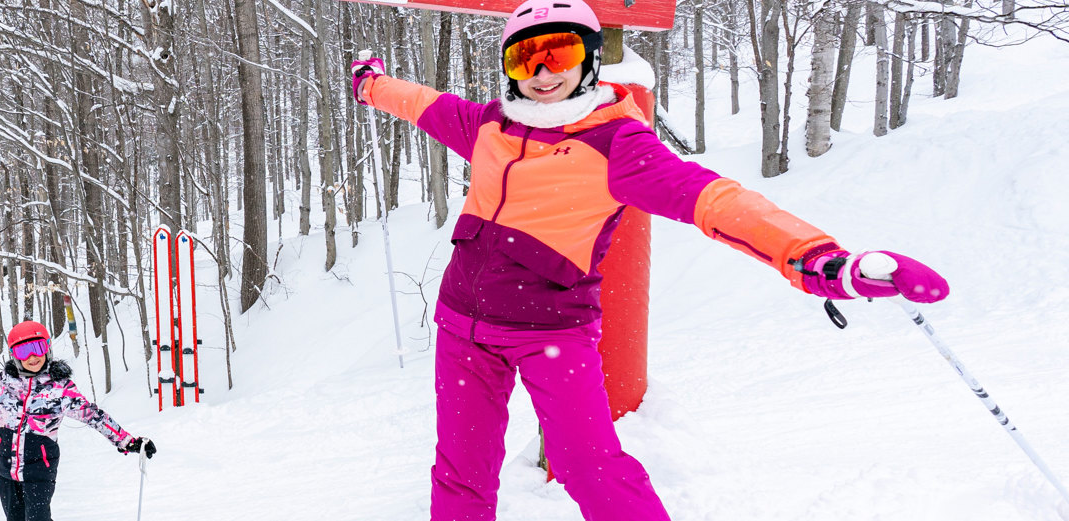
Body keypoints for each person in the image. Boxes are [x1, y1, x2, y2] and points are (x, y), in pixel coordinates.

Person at [348, 1, 950, 519]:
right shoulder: (488, 126)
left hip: (551, 334)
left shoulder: (616, 145)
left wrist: (818, 258)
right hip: (463, 330)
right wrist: (369, 83)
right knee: (460, 476)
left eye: (556, 54)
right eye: (523, 59)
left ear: (587, 58)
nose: (541, 73)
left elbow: (714, 199)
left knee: (592, 470)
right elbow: (417, 101)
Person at [0, 321, 156, 521]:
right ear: (14, 355)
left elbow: (94, 416)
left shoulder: (60, 389)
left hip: (39, 470)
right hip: (6, 469)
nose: (32, 357)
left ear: (47, 349)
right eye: (23, 351)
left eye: (37, 348)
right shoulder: (3, 382)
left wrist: (128, 441)